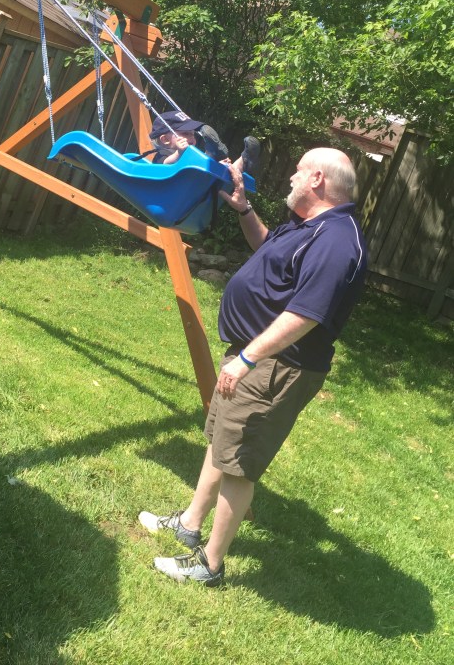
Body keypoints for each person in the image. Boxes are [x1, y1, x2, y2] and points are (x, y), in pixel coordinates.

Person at [138, 147, 367, 587]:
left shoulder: (338, 241)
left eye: (298, 171)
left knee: (239, 462)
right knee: (221, 441)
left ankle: (210, 565)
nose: (291, 179)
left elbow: (306, 315)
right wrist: (244, 208)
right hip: (254, 355)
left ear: (318, 179)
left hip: (278, 365)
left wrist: (248, 358)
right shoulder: (307, 224)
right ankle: (189, 523)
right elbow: (267, 246)